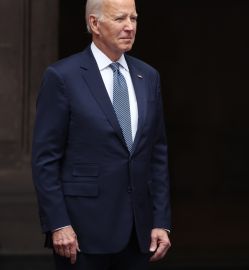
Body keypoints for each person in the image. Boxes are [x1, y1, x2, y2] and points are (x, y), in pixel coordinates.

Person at [31, 0, 171, 269]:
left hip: (138, 233)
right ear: (94, 24)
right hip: (82, 233)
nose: (130, 27)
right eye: (120, 19)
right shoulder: (63, 77)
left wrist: (161, 221)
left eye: (134, 18)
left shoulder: (148, 76)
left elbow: (157, 154)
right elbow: (45, 160)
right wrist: (58, 223)